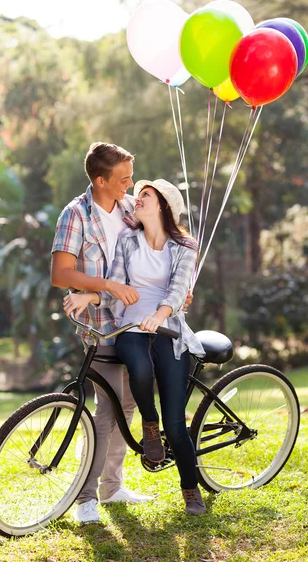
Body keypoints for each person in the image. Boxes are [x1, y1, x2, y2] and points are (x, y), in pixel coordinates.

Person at [63, 179, 207, 516]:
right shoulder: (128, 240)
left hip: (169, 330)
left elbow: (177, 289)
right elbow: (116, 285)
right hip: (129, 327)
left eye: (144, 195)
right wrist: (90, 296)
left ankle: (191, 491)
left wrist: (159, 315)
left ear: (162, 206)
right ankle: (149, 424)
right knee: (139, 368)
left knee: (177, 426)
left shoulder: (185, 245)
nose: (135, 200)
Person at [51, 142, 153, 524]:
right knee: (108, 408)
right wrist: (105, 286)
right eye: (123, 178)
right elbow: (61, 273)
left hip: (137, 322)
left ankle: (112, 488)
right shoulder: (75, 215)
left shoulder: (130, 209)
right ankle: (85, 499)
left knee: (127, 405)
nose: (130, 184)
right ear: (100, 180)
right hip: (101, 326)